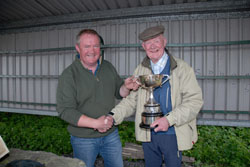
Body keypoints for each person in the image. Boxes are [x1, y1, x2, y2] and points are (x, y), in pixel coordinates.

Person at [110, 25, 204, 167]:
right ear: (143, 46)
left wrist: (169, 120)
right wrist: (112, 116)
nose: (153, 46)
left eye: (156, 41)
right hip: (148, 134)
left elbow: (195, 101)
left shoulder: (182, 68)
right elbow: (131, 101)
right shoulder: (140, 69)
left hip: (173, 133)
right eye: (148, 42)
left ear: (164, 42)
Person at [56, 29, 138, 167]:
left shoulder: (108, 67)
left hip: (110, 134)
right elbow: (65, 111)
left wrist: (126, 86)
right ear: (78, 48)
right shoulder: (69, 75)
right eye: (87, 46)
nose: (92, 50)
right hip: (83, 138)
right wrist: (95, 123)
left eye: (95, 46)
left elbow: (120, 92)